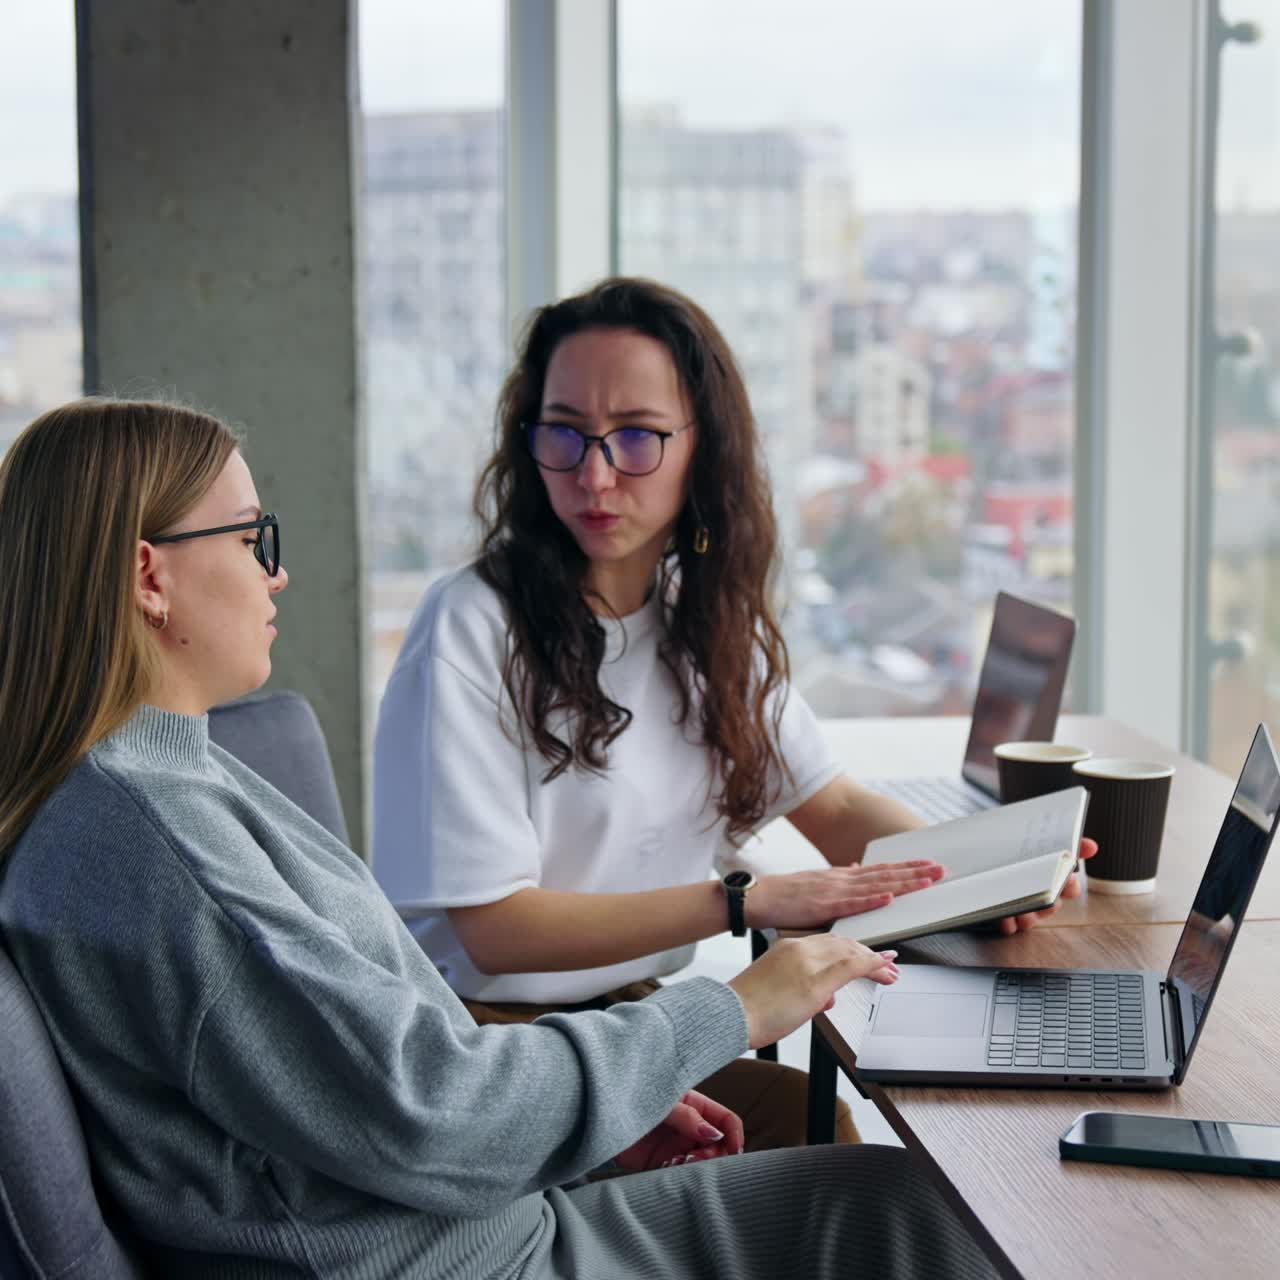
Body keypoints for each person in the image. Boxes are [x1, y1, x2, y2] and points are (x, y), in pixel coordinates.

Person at [0, 397, 999, 1279]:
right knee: (906, 1212)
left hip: (466, 1217)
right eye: (254, 537)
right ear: (148, 575)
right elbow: (426, 1104)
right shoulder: (152, 836)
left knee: (882, 1195)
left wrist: (581, 1126)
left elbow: (361, 1085)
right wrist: (729, 1007)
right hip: (460, 1256)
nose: (280, 570)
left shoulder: (168, 781)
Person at [373, 276, 1097, 1151]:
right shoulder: (471, 626)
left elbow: (830, 806)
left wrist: (981, 879)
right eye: (564, 432)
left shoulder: (700, 615)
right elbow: (493, 931)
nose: (594, 474)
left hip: (634, 1028)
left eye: (637, 436)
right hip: (491, 1051)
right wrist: (746, 901)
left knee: (825, 1135)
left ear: (700, 446)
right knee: (819, 1148)